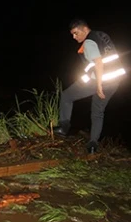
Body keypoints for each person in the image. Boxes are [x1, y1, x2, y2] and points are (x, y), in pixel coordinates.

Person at [53, 19, 126, 154]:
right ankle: (92, 145)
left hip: (100, 81)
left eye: (75, 33)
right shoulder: (101, 36)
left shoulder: (89, 41)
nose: (74, 37)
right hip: (114, 81)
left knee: (67, 96)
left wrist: (98, 85)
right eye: (72, 35)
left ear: (85, 29)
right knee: (98, 112)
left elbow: (98, 63)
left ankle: (63, 128)